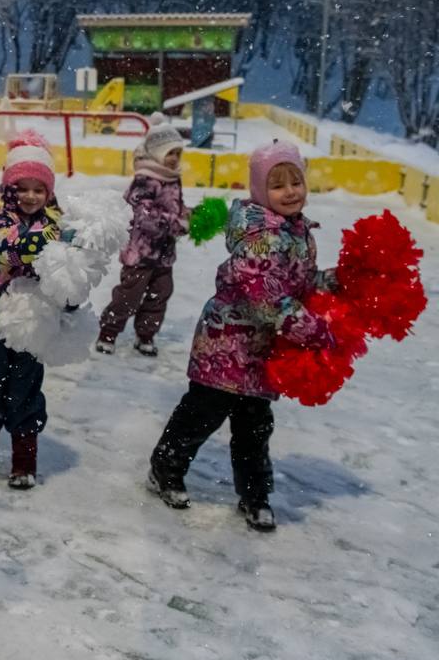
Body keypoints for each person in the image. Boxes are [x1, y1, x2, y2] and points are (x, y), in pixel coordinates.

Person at [146, 141, 338, 532]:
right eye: (277, 185)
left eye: (296, 182)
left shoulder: (298, 231)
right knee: (201, 415)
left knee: (255, 427)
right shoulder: (259, 235)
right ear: (259, 190)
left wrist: (328, 281)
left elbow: (296, 282)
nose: (290, 192)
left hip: (260, 351)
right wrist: (310, 328)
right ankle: (165, 468)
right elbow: (265, 296)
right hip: (225, 345)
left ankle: (255, 495)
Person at [0, 131, 63, 488]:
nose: (30, 196)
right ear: (9, 186)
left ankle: (24, 459)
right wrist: (53, 241)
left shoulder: (55, 221)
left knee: (25, 384)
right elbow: (4, 248)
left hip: (30, 313)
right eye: (23, 188)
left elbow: (65, 268)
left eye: (39, 189)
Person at [95, 122, 189, 356]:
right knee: (129, 296)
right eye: (169, 153)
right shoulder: (145, 180)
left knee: (160, 294)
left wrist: (189, 215)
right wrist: (176, 223)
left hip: (164, 254)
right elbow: (144, 215)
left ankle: (146, 334)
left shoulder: (172, 178)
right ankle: (108, 332)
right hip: (140, 253)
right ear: (157, 153)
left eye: (178, 153)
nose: (174, 159)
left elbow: (175, 207)